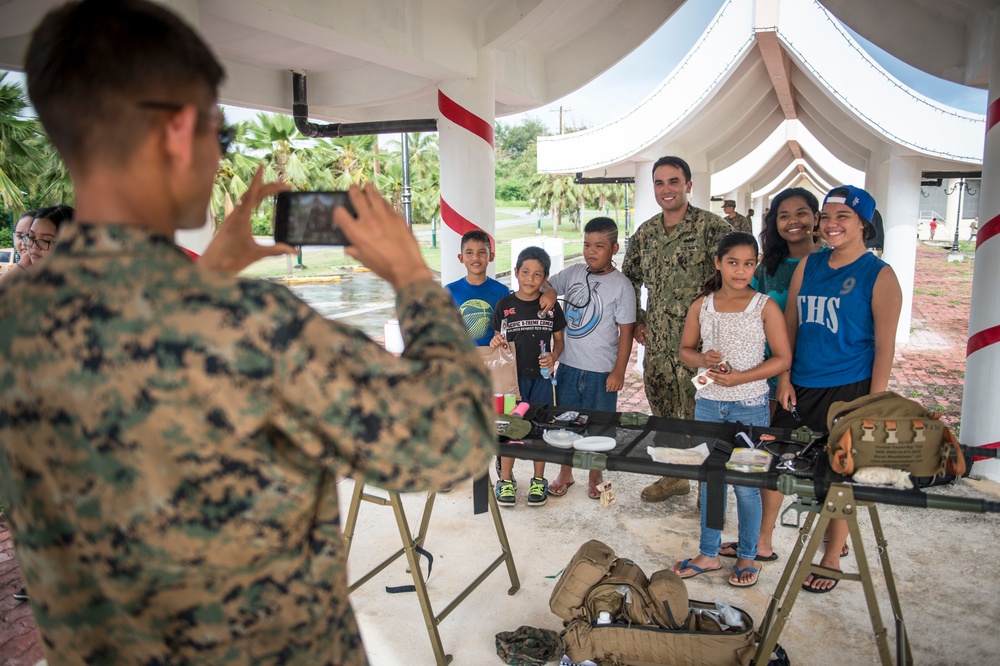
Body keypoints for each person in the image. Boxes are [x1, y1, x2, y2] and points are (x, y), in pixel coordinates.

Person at [0, 2, 496, 664]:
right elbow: (455, 441)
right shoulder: (255, 330)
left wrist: (208, 274)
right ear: (178, 130)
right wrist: (412, 276)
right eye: (220, 134)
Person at [773, 185, 902, 593]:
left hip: (850, 387)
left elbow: (885, 346)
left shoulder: (879, 275)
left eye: (842, 217)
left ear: (864, 223)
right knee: (788, 464)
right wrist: (784, 375)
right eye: (826, 217)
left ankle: (831, 554)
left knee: (842, 473)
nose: (830, 225)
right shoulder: (808, 265)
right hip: (803, 384)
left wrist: (871, 403)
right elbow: (791, 324)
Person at [673, 232, 790, 587]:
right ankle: (709, 553)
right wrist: (702, 358)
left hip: (751, 408)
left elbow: (783, 359)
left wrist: (742, 378)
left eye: (749, 263)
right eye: (733, 263)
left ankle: (748, 555)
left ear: (756, 264)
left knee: (746, 485)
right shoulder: (702, 305)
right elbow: (685, 351)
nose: (741, 271)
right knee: (712, 481)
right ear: (718, 263)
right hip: (708, 405)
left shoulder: (764, 305)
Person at [718, 187, 822, 563]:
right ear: (774, 223)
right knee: (768, 457)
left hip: (820, 376)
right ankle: (761, 541)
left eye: (802, 213)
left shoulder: (829, 264)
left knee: (824, 456)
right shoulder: (764, 270)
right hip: (769, 378)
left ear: (816, 217)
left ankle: (833, 536)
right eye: (783, 215)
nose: (793, 221)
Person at [622, 155, 733, 502]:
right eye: (659, 182)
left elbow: (734, 281)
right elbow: (629, 279)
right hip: (657, 347)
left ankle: (707, 487)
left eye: (673, 181)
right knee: (665, 414)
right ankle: (674, 477)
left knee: (703, 414)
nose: (666, 189)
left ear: (688, 185)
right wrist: (638, 317)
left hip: (699, 347)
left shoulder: (714, 229)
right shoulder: (646, 233)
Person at [539, 217, 636, 499]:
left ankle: (596, 475)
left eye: (599, 246)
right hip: (568, 366)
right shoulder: (574, 273)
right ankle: (565, 473)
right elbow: (545, 284)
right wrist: (554, 290)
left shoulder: (621, 286)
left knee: (599, 427)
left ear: (614, 248)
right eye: (586, 245)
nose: (591, 251)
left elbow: (626, 332)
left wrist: (619, 371)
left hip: (601, 370)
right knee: (565, 425)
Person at [490, 246, 567, 507]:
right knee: (510, 428)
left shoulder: (551, 306)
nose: (529, 279)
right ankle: (507, 480)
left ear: (545, 278)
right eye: (525, 272)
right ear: (515, 272)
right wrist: (497, 339)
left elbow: (559, 341)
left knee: (540, 430)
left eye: (537, 275)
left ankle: (538, 479)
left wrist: (554, 357)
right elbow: (497, 339)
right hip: (512, 380)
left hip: (542, 380)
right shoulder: (505, 306)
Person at [446, 229, 510, 346]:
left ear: (491, 256)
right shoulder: (450, 291)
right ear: (461, 258)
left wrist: (499, 339)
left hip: (492, 357)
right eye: (469, 252)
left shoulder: (502, 292)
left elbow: (505, 328)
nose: (475, 257)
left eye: (481, 252)